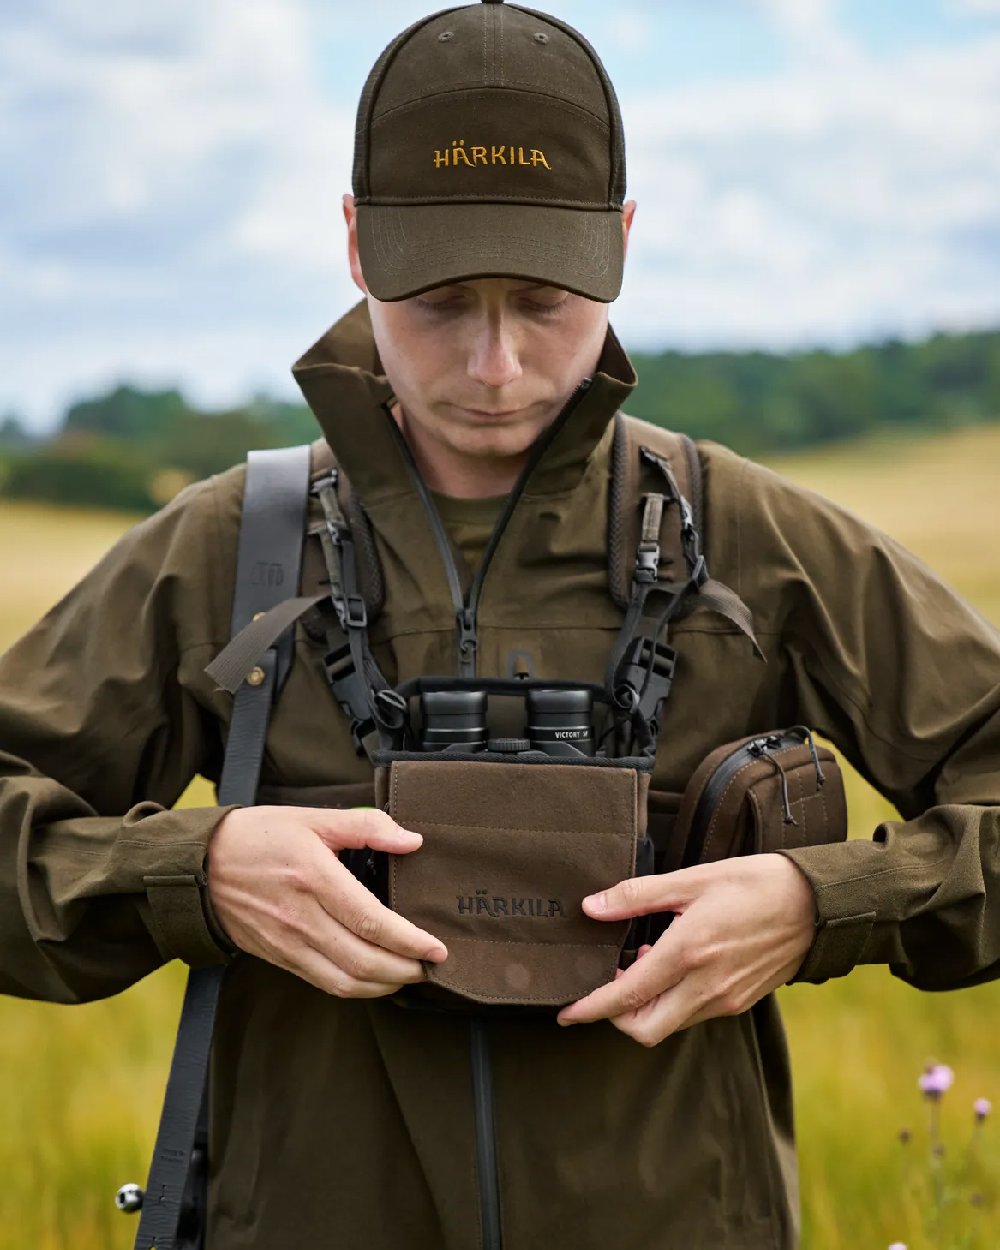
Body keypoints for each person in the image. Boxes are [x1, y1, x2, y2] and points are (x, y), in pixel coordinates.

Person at [1, 3, 998, 1248]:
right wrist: (193, 870)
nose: (492, 366)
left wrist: (822, 901)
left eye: (542, 300)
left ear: (621, 246)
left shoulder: (751, 538)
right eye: (438, 301)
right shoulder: (226, 549)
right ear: (357, 246)